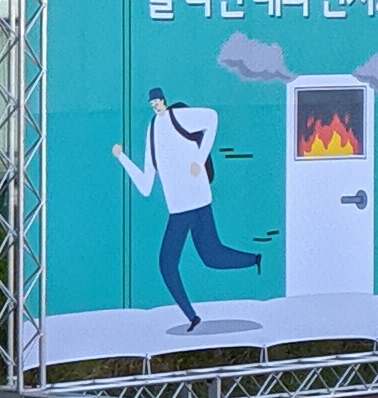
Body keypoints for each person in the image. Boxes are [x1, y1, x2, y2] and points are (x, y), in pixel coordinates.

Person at [110, 87, 264, 329]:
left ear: (164, 100)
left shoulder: (179, 117)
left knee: (173, 262)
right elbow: (146, 185)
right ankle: (253, 261)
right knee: (209, 256)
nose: (155, 106)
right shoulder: (152, 131)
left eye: (157, 101)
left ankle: (196, 314)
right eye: (152, 104)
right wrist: (122, 158)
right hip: (179, 208)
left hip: (196, 201)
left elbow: (212, 118)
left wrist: (199, 159)